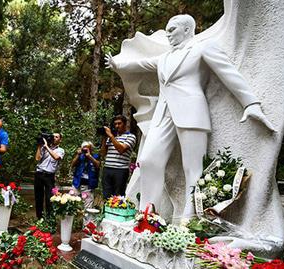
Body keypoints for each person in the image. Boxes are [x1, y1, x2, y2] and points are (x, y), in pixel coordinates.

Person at [105, 14, 274, 219]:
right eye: (166, 29)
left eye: (172, 29)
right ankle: (147, 214)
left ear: (187, 29)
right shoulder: (164, 57)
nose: (168, 33)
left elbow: (228, 73)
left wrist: (250, 103)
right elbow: (140, 64)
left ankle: (190, 218)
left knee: (193, 169)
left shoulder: (202, 48)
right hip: (163, 116)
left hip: (192, 113)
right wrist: (116, 65)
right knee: (149, 159)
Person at [99, 115, 136, 199]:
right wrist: (105, 138)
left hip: (120, 170)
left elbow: (121, 150)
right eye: (115, 124)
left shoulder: (131, 136)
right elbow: (103, 154)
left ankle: (116, 212)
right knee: (106, 195)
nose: (117, 126)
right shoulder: (112, 138)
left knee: (118, 197)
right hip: (107, 169)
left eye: (119, 123)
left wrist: (111, 136)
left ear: (125, 124)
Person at [34, 133, 64, 219]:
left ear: (60, 140)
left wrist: (47, 146)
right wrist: (40, 146)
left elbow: (56, 157)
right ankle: (39, 219)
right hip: (39, 174)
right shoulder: (43, 147)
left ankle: (49, 219)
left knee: (49, 198)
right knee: (38, 198)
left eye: (56, 137)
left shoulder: (60, 150)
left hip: (49, 176)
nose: (54, 138)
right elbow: (37, 159)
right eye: (53, 136)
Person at [71, 141, 100, 209]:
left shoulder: (95, 156)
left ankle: (87, 220)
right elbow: (72, 164)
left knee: (88, 205)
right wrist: (78, 155)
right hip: (77, 183)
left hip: (88, 185)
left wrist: (90, 156)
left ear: (91, 149)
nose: (85, 149)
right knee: (72, 203)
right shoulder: (80, 156)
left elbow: (98, 165)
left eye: (87, 148)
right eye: (83, 148)